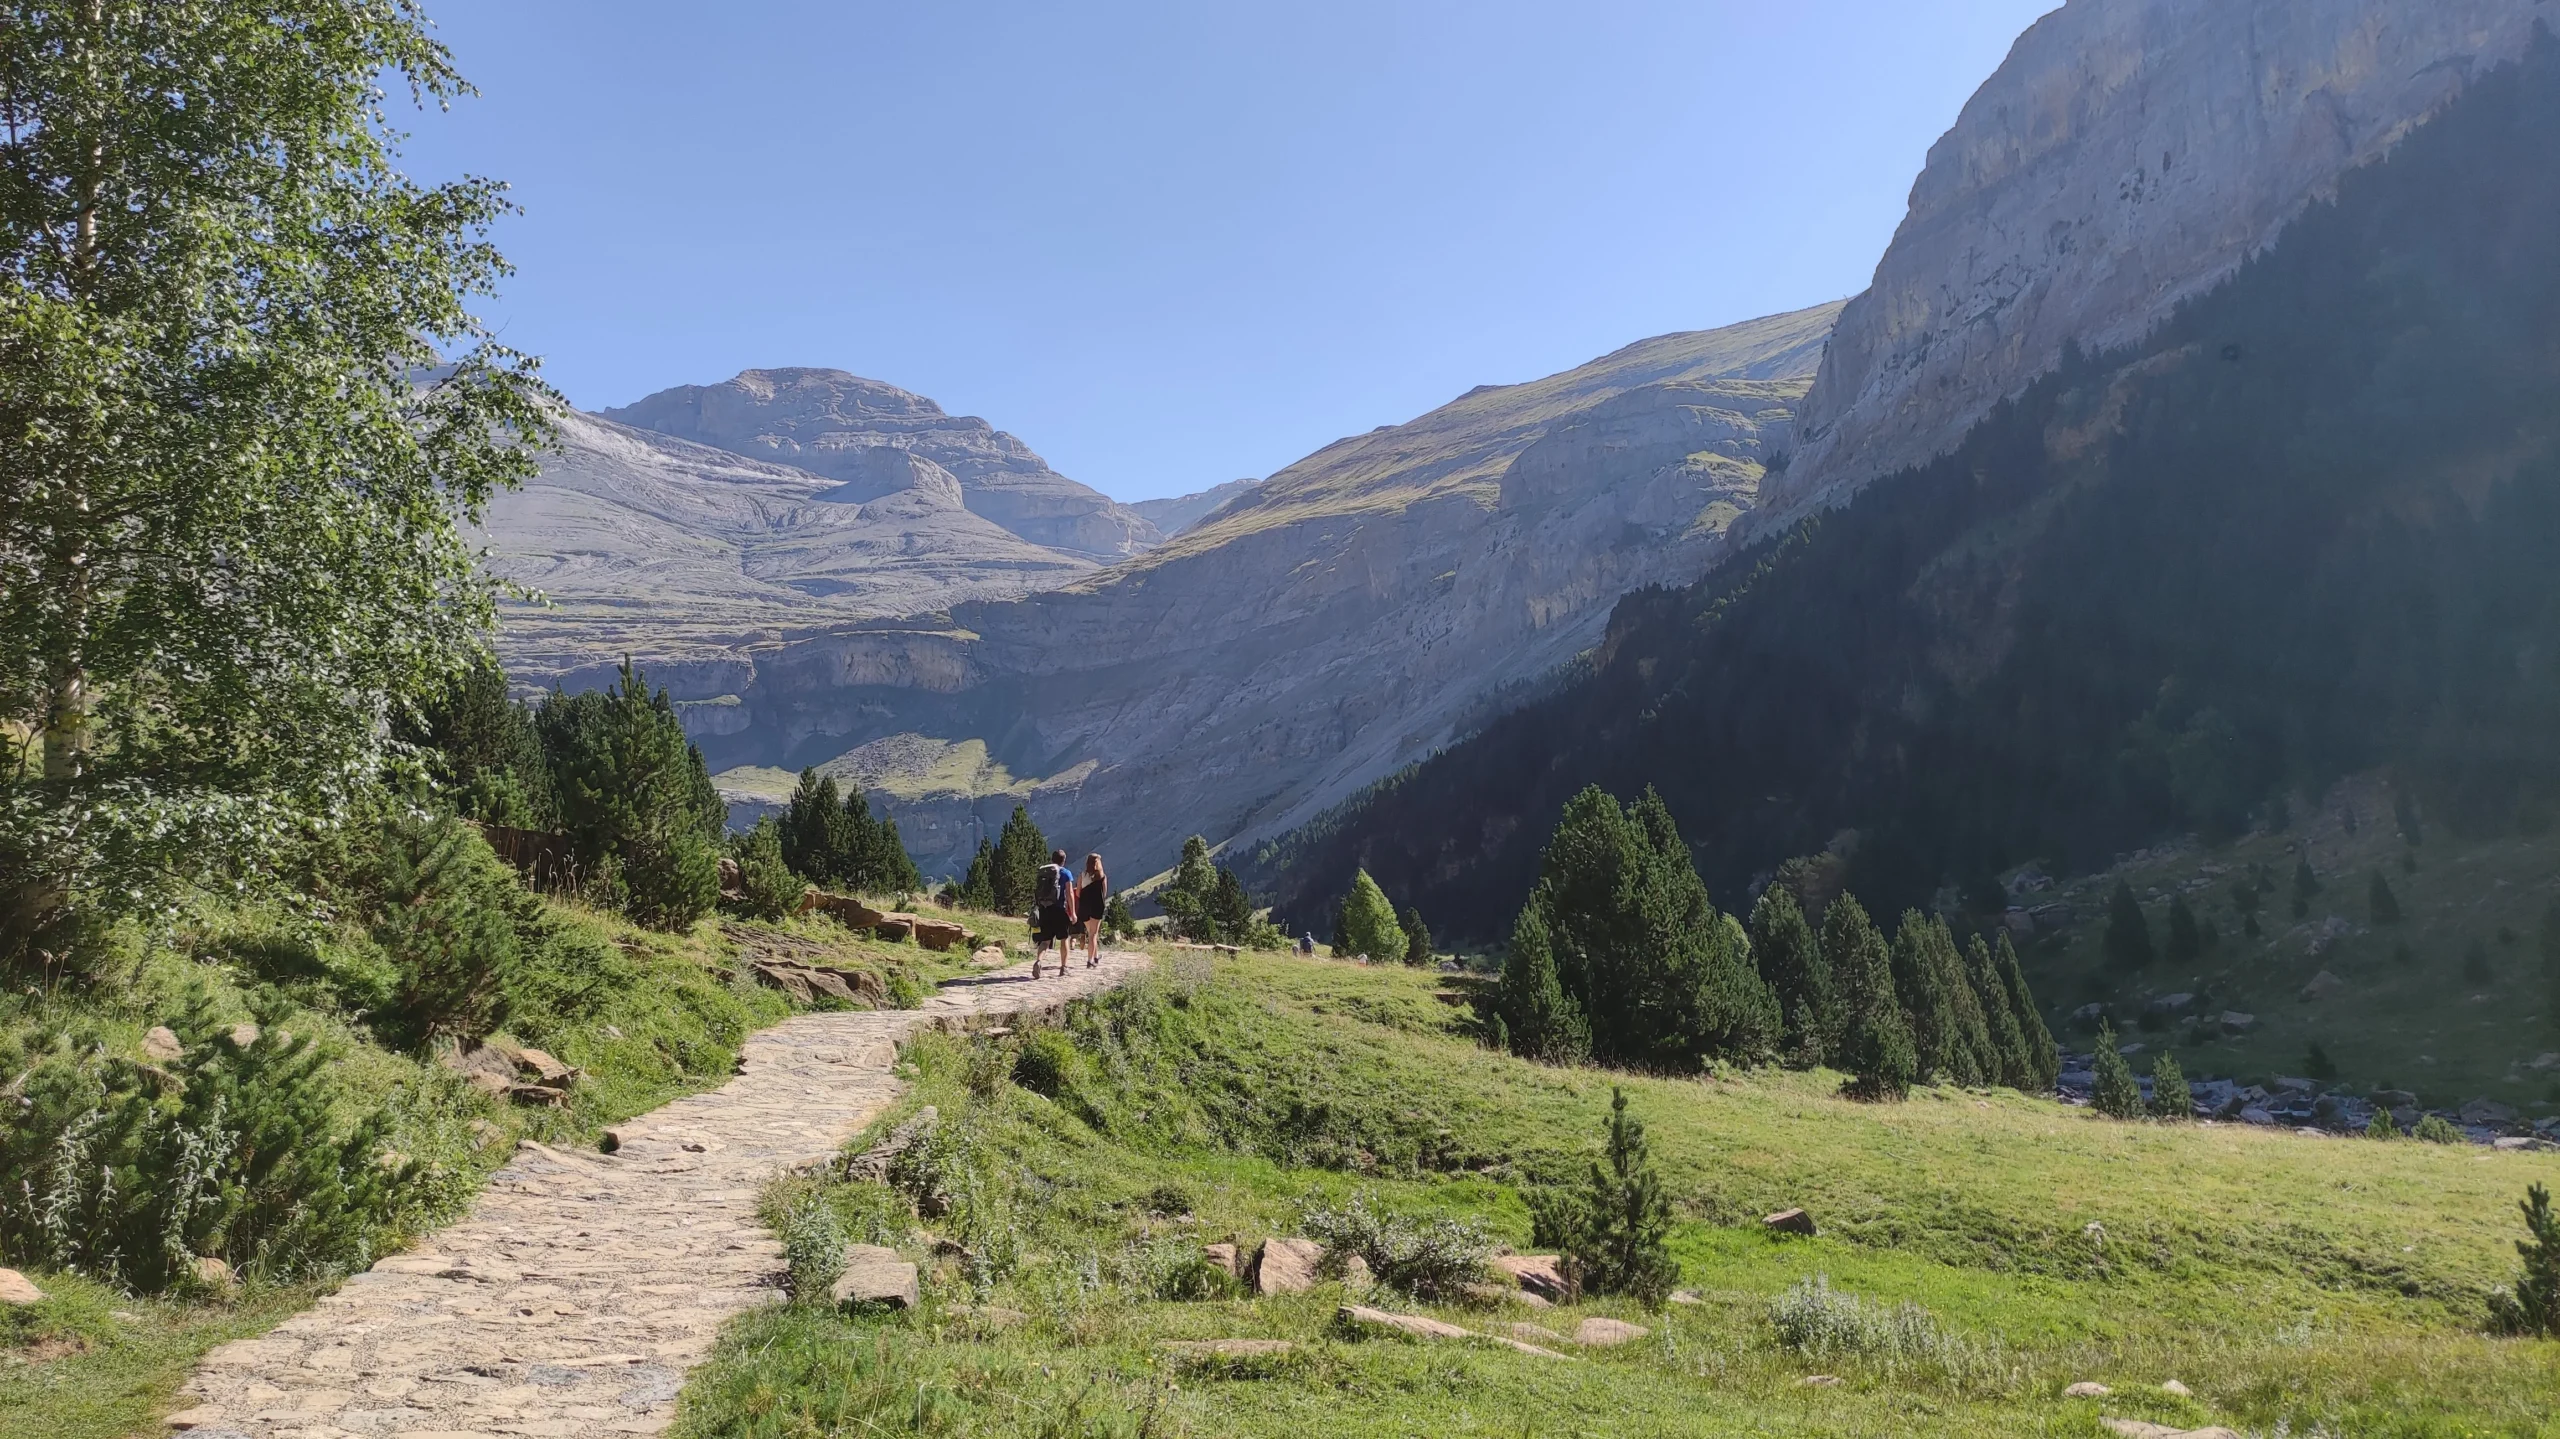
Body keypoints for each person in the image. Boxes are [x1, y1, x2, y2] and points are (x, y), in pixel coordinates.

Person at [1032, 848, 1078, 978]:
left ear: (1052, 859)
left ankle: (1039, 961)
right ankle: (1064, 967)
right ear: (1063, 860)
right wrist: (1073, 912)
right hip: (1059, 910)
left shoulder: (1044, 872)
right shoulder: (1066, 873)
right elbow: (1069, 893)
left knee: (1045, 940)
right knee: (1064, 939)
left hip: (1045, 909)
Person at [1077, 853, 1108, 968]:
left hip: (1084, 906)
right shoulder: (1102, 877)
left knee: (1091, 933)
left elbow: (1078, 893)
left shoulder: (1082, 875)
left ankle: (1095, 956)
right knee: (1093, 934)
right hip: (1097, 907)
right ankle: (1090, 960)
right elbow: (1104, 893)